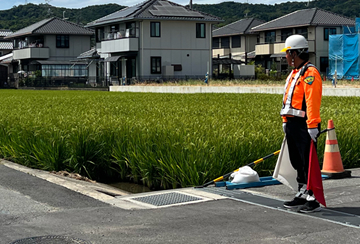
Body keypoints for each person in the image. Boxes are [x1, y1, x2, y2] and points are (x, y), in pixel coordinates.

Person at [280, 34, 322, 213]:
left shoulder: (309, 73)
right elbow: (287, 100)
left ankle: (313, 197)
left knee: (308, 161)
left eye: (288, 53)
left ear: (295, 53)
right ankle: (302, 191)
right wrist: (285, 121)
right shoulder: (294, 73)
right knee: (297, 160)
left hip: (305, 125)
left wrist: (312, 125)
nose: (286, 56)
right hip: (292, 124)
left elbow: (312, 101)